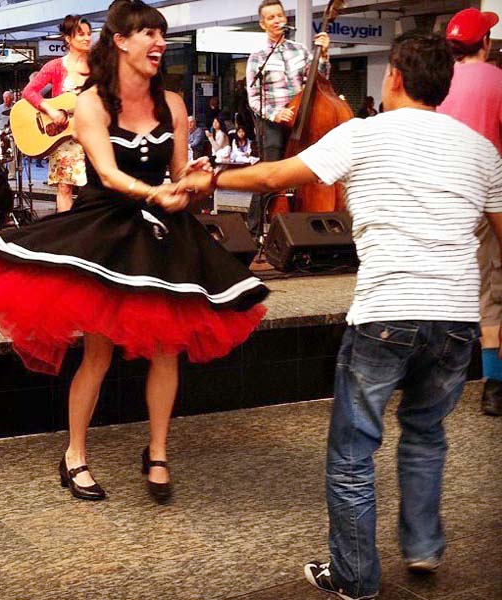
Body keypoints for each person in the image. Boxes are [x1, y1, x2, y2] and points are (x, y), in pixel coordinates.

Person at [179, 32, 502, 599]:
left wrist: (213, 178)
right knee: (426, 433)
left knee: (353, 452)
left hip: (387, 311)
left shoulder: (363, 133)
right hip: (455, 318)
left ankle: (354, 577)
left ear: (394, 77)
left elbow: (276, 177)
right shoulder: (481, 150)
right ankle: (423, 548)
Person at [0, 0, 268, 505]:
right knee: (98, 350)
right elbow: (107, 173)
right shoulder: (91, 104)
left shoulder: (172, 103)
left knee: (167, 346)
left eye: (161, 34)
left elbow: (177, 174)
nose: (159, 42)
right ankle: (74, 454)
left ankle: (158, 452)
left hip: (161, 233)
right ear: (121, 41)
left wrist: (192, 181)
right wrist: (157, 194)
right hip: (107, 228)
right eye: (148, 32)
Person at [438, 8, 502, 417]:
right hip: (488, 198)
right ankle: (494, 385)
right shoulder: (498, 80)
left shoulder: (436, 82)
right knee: (492, 290)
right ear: (485, 43)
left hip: (442, 198)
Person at [245, 0, 330, 238]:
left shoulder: (300, 50)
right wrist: (275, 113)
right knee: (269, 177)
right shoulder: (257, 57)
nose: (277, 20)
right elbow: (253, 98)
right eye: (271, 17)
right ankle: (253, 233)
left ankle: (305, 230)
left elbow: (320, 81)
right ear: (263, 24)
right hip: (272, 124)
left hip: (301, 120)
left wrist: (323, 56)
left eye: (279, 16)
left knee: (307, 172)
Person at [21, 15, 91, 212]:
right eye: (81, 34)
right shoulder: (55, 66)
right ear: (68, 38)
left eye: (89, 34)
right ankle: (66, 227)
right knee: (65, 187)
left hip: (92, 134)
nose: (87, 38)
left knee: (94, 187)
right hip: (65, 136)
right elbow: (29, 91)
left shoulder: (99, 66)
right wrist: (51, 110)